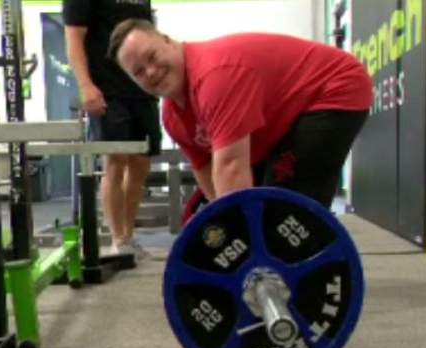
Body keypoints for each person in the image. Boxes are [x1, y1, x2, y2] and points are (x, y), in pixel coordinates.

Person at [107, 19, 373, 209]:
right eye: (138, 72)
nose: (151, 72)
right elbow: (206, 170)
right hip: (283, 117)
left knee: (282, 209)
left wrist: (242, 237)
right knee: (257, 208)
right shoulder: (172, 117)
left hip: (333, 88)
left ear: (167, 40)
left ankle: (306, 266)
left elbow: (231, 167)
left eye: (152, 57)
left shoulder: (214, 77)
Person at [63, 2, 162, 258]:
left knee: (141, 164)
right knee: (115, 162)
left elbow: (147, 33)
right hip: (106, 89)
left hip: (141, 87)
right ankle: (118, 239)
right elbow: (74, 37)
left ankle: (128, 236)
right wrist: (86, 86)